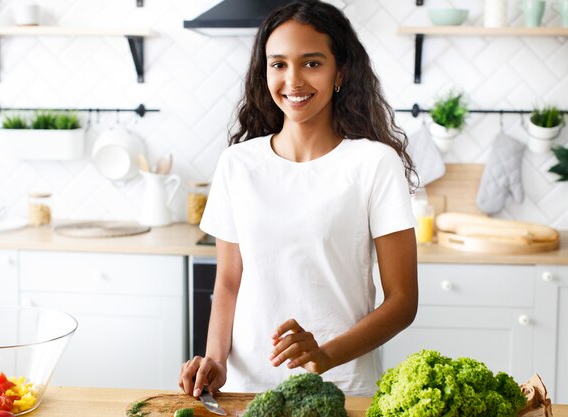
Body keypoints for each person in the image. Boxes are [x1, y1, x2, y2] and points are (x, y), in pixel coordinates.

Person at [179, 0, 418, 397]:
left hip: (341, 385)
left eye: (311, 63)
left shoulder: (374, 163)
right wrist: (216, 361)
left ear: (340, 71)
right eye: (278, 64)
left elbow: (403, 300)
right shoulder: (237, 163)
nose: (293, 80)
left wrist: (324, 355)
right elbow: (228, 283)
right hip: (246, 388)